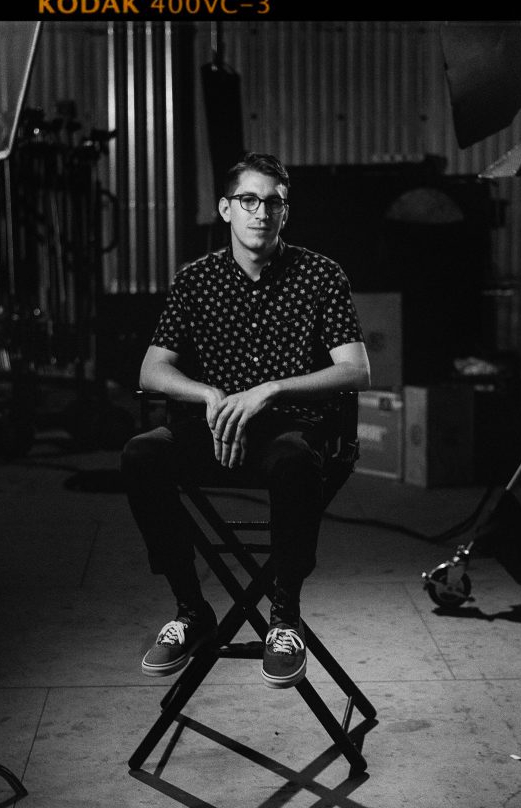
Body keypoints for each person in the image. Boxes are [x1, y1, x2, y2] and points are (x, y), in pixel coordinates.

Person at [119, 152, 371, 689]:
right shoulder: (196, 280)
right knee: (142, 453)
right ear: (226, 208)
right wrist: (209, 393)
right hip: (208, 429)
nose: (261, 212)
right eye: (249, 200)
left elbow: (356, 369)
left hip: (286, 432)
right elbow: (152, 368)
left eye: (273, 202)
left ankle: (284, 617)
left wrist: (270, 389)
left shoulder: (321, 275)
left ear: (286, 212)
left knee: (298, 460)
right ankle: (191, 611)